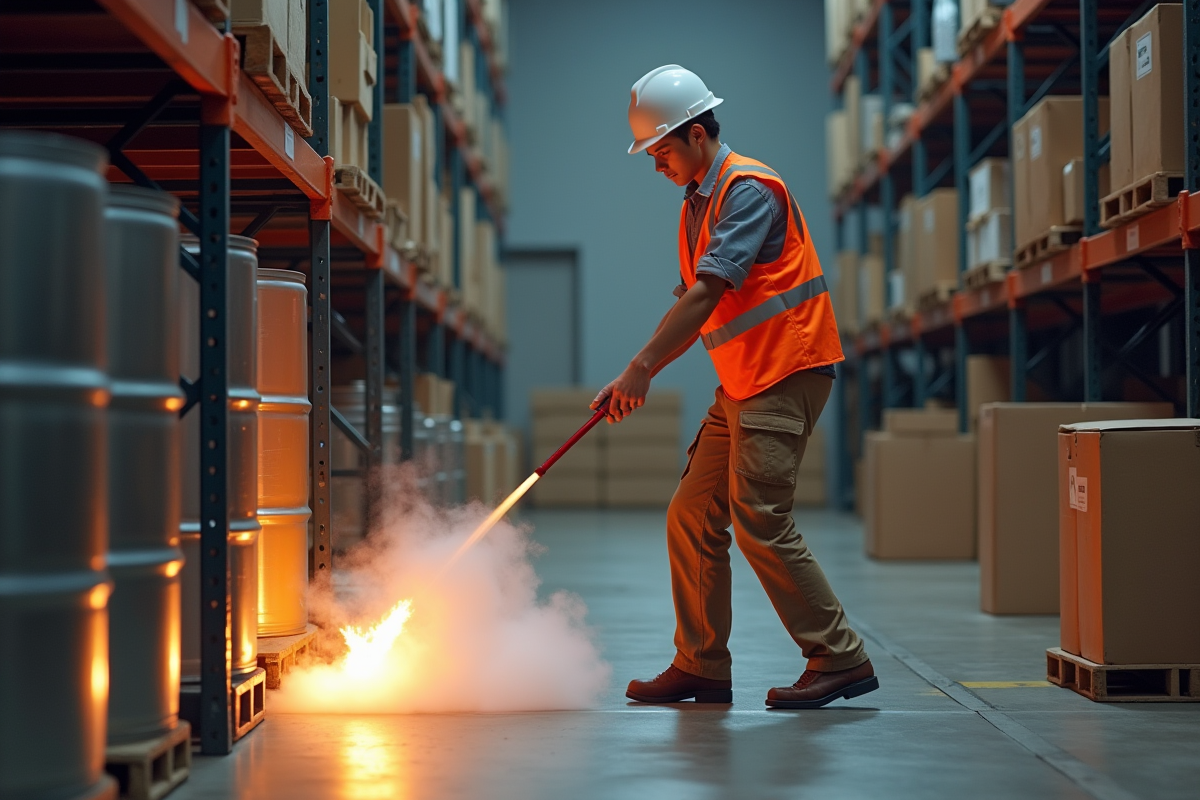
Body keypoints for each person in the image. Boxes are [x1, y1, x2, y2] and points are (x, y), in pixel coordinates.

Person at [593, 65, 877, 709]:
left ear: (695, 134)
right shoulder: (699, 200)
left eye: (661, 151)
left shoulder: (747, 188)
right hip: (744, 381)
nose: (656, 165)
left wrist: (641, 367)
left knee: (760, 519)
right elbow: (707, 296)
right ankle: (700, 665)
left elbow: (709, 292)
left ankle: (839, 655)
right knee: (692, 513)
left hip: (786, 369)